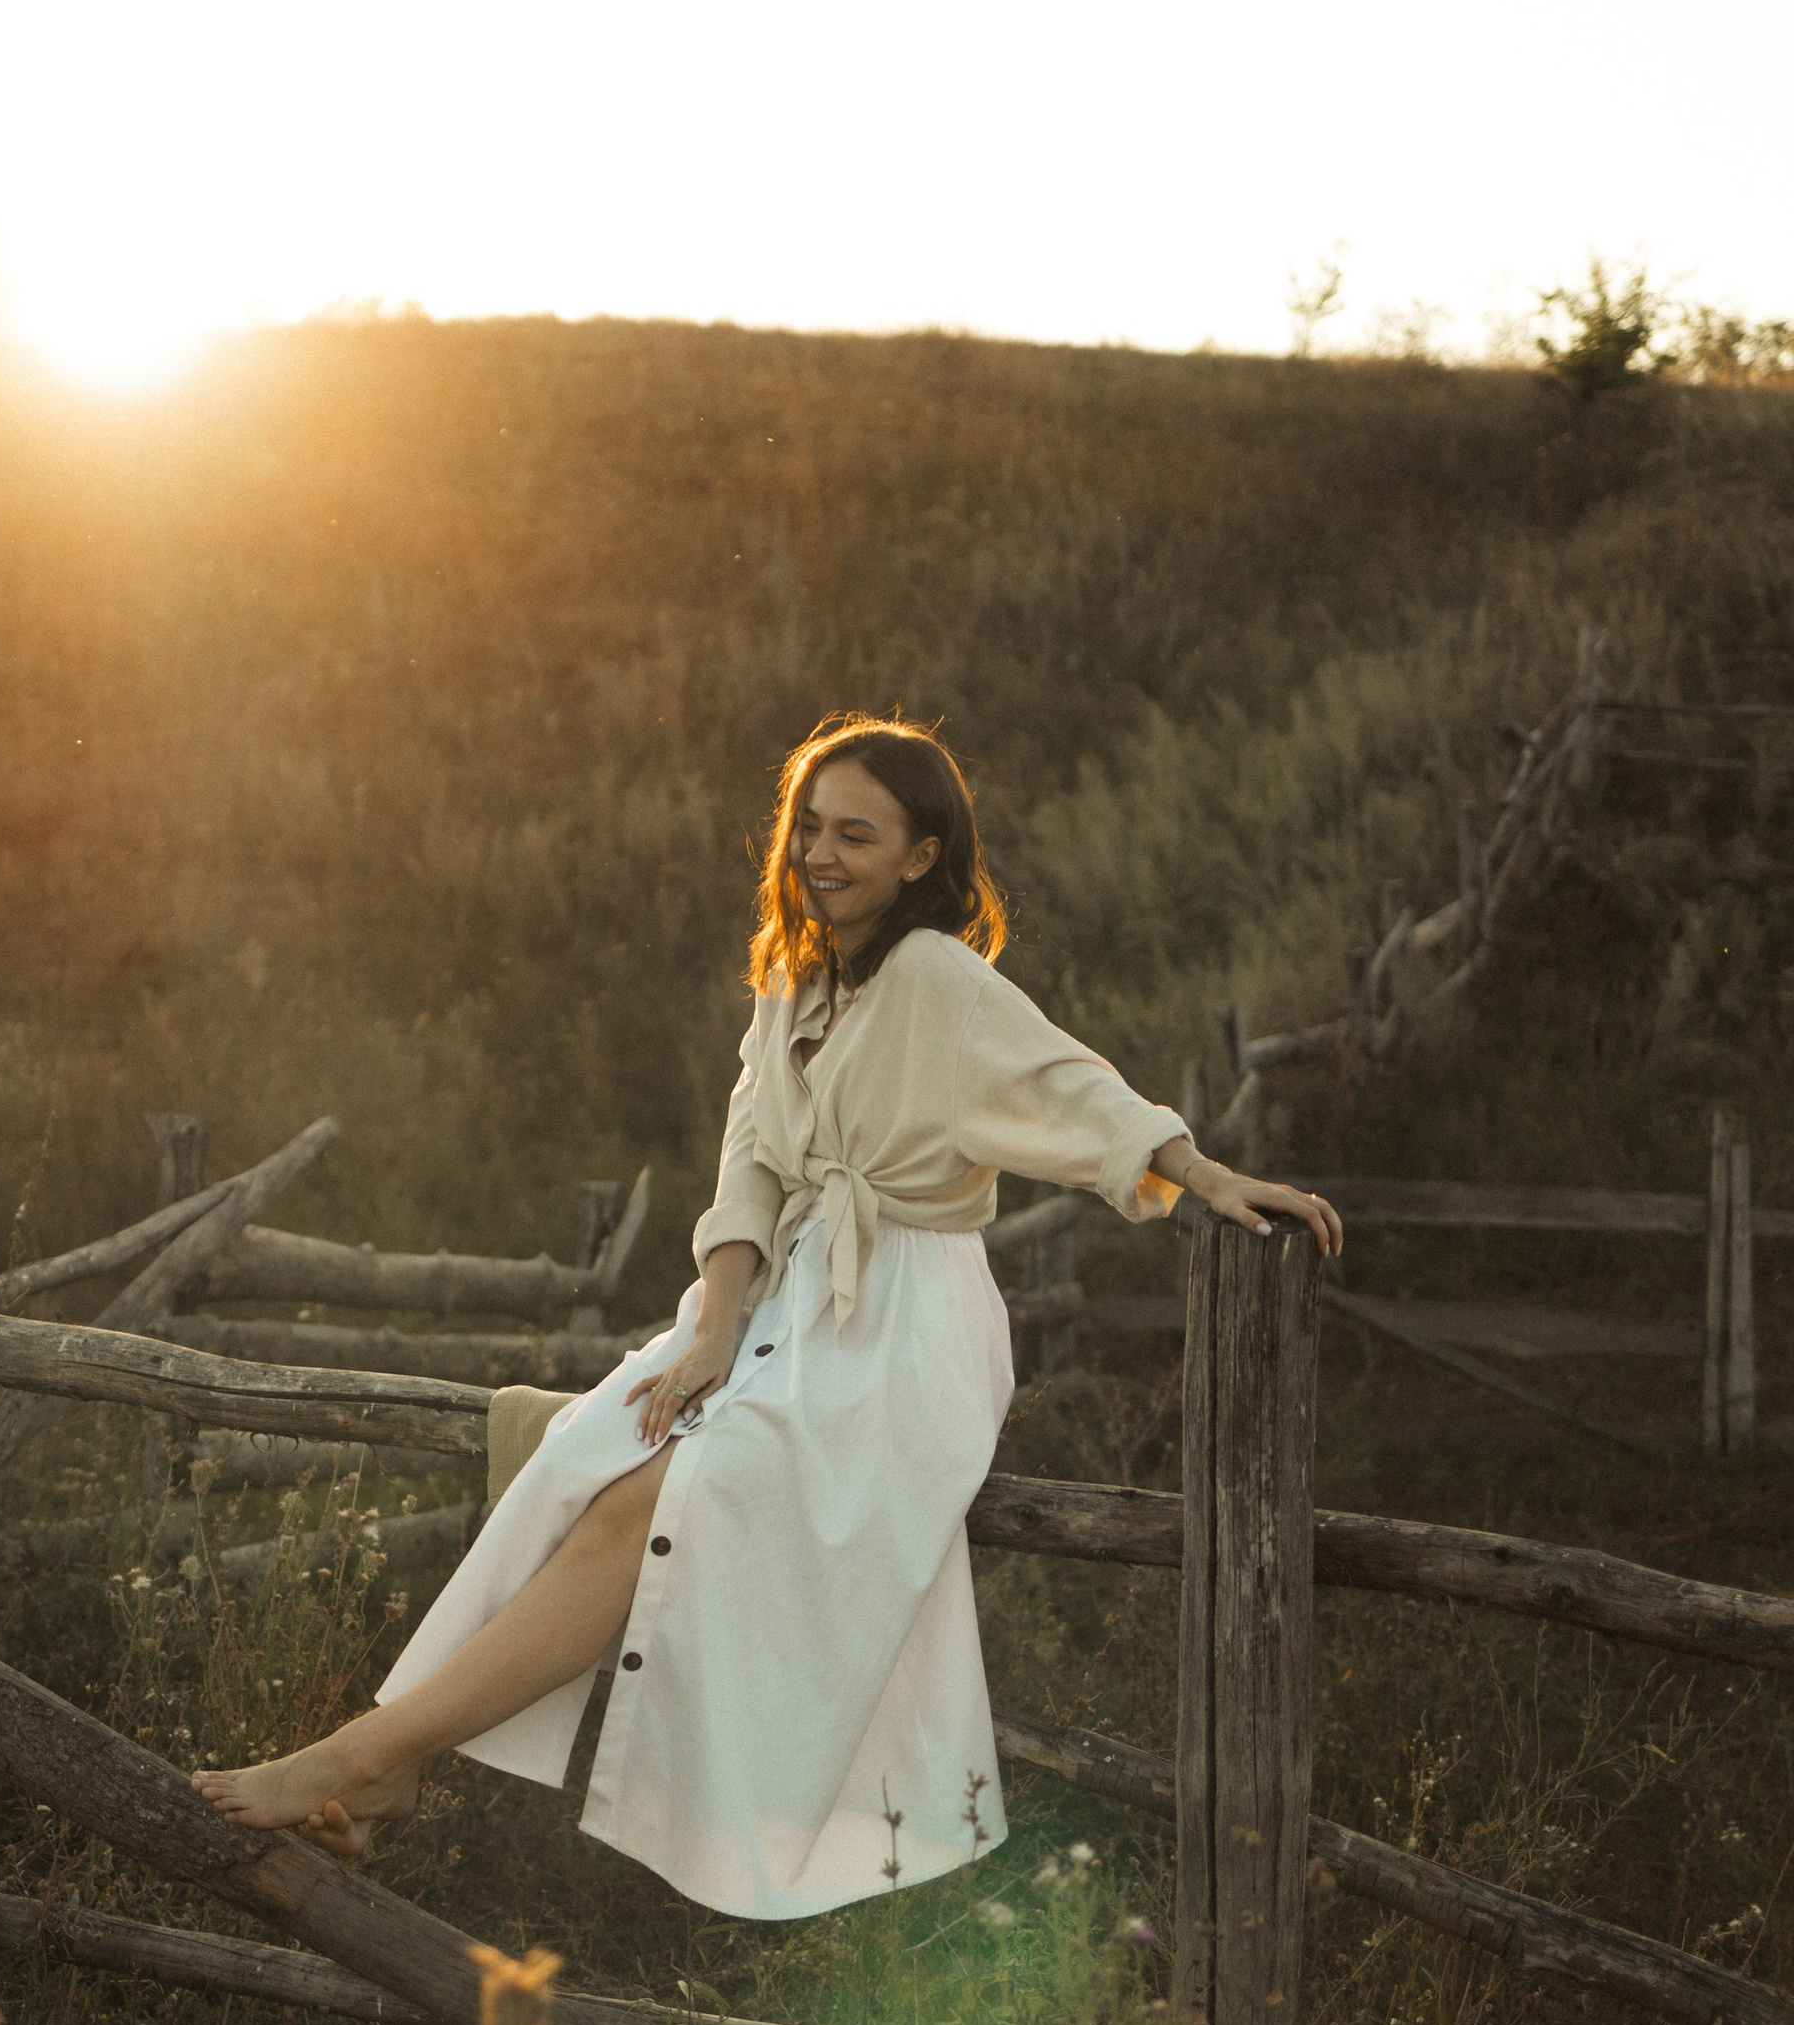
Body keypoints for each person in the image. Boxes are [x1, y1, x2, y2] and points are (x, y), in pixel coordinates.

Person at [194, 712, 1341, 1917]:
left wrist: (1199, 1174)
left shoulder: (937, 979)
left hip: (902, 1326)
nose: (822, 853)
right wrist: (711, 1327)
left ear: (921, 855)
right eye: (809, 827)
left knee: (667, 1495)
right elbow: (749, 1163)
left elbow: (1070, 1084)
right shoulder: (792, 980)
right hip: (784, 1299)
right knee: (598, 1458)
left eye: (858, 834)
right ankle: (385, 1768)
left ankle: (363, 1759)